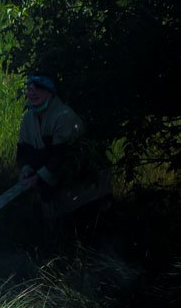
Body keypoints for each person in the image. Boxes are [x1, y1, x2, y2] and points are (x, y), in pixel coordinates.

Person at [16, 74, 110, 231]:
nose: (32, 92)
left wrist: (38, 177)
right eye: (30, 89)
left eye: (38, 88)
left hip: (82, 178)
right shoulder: (28, 119)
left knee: (87, 225)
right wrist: (25, 170)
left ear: (50, 93)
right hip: (52, 175)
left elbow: (62, 157)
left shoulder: (63, 116)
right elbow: (22, 151)